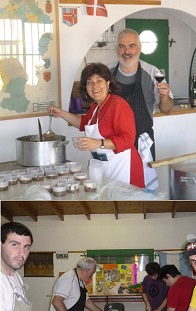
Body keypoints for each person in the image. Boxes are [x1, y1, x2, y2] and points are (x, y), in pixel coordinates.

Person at [50, 62, 145, 188]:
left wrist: (98, 143)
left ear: (108, 83)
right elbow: (83, 123)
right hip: (103, 167)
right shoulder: (96, 107)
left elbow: (127, 139)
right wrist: (62, 114)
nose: (94, 86)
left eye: (99, 81)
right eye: (90, 82)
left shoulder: (118, 105)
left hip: (124, 168)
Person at [110, 28, 174, 190]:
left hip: (142, 143)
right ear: (116, 49)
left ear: (140, 48)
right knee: (116, 187)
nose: (127, 51)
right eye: (122, 46)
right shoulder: (107, 73)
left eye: (131, 46)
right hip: (113, 142)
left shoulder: (153, 73)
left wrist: (165, 96)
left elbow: (167, 109)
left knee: (144, 188)